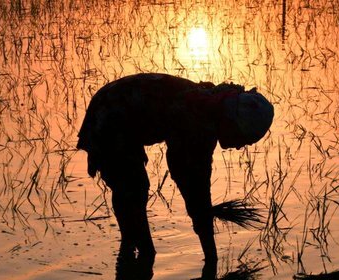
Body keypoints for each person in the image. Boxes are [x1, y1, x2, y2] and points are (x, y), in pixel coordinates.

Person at [77, 73, 274, 264]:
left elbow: (194, 180)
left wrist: (201, 212)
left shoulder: (208, 109)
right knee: (133, 188)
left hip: (120, 110)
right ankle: (139, 255)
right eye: (242, 138)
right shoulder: (196, 118)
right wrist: (211, 256)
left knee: (133, 189)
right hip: (109, 115)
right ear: (232, 122)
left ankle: (130, 258)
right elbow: (188, 177)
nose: (240, 146)